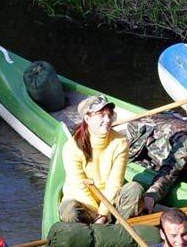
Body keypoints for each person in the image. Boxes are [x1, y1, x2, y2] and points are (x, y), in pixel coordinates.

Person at [59, 94, 145, 224]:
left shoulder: (120, 142)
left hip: (109, 202)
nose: (107, 119)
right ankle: (86, 236)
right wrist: (96, 215)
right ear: (87, 118)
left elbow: (114, 184)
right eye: (101, 115)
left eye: (110, 115)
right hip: (81, 200)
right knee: (70, 212)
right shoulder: (72, 147)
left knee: (135, 189)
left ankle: (118, 231)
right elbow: (79, 186)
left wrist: (104, 214)